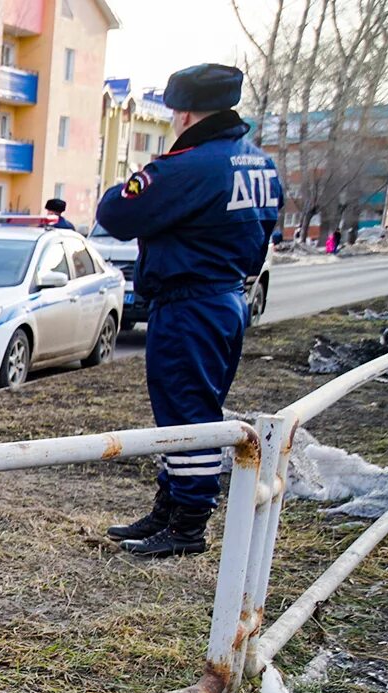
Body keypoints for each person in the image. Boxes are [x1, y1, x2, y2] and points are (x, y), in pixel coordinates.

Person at [96, 63, 281, 557]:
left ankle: (187, 524)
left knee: (187, 416)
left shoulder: (191, 165)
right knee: (191, 410)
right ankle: (171, 508)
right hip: (225, 298)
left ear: (184, 113)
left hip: (189, 304)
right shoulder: (258, 162)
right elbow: (262, 237)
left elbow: (116, 213)